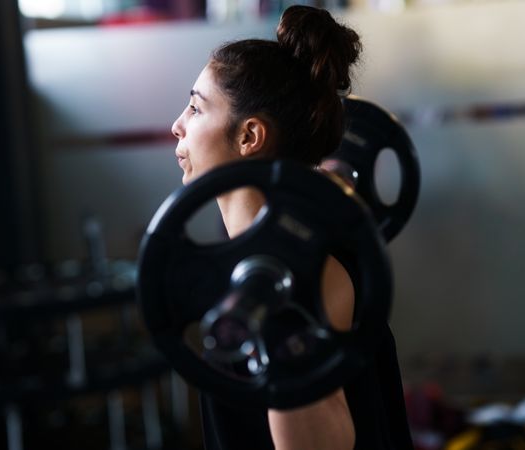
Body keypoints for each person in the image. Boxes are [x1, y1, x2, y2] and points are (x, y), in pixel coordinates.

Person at [170, 5, 413, 450]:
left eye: (194, 108)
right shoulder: (265, 260)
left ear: (249, 137)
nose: (177, 126)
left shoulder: (303, 272)